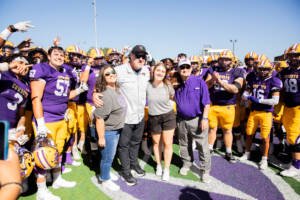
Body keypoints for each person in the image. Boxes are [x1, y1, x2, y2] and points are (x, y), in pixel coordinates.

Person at [30, 46, 87, 200]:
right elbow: (35, 98)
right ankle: (41, 191)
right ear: (48, 56)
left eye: (61, 55)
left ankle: (56, 179)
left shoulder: (64, 72)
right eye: (55, 54)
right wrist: (40, 123)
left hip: (61, 118)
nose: (59, 57)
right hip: (46, 119)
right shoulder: (42, 69)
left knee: (57, 151)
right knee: (43, 154)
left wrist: (80, 90)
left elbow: (65, 95)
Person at [93, 45, 150, 186]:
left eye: (143, 56)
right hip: (125, 117)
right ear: (131, 56)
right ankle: (126, 171)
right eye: (138, 55)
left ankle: (134, 163)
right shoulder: (119, 70)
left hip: (140, 115)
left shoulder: (146, 71)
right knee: (124, 146)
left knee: (136, 143)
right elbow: (102, 80)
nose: (141, 59)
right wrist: (95, 94)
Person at [240, 59, 282, 170]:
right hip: (254, 111)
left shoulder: (274, 81)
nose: (263, 71)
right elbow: (246, 92)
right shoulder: (253, 78)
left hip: (266, 112)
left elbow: (275, 100)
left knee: (265, 137)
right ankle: (247, 153)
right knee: (249, 133)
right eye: (261, 69)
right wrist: (246, 96)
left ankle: (264, 159)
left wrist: (259, 101)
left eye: (266, 69)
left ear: (270, 69)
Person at [174, 59, 211, 183]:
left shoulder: (199, 82)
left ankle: (205, 170)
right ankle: (187, 163)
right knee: (184, 144)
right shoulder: (177, 84)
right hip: (181, 120)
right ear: (178, 69)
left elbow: (206, 103)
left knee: (202, 146)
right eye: (182, 67)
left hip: (197, 119)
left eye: (187, 67)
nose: (185, 69)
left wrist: (205, 118)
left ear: (191, 68)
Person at [206, 50, 245, 163]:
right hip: (214, 105)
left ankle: (229, 152)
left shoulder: (237, 71)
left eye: (227, 59)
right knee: (212, 128)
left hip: (228, 106)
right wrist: (213, 79)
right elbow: (206, 85)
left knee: (227, 130)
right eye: (222, 59)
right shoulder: (213, 69)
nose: (224, 61)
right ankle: (209, 149)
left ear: (232, 61)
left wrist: (220, 81)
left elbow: (235, 89)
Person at [94, 64, 126, 191]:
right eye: (107, 74)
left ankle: (106, 174)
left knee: (110, 156)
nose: (111, 75)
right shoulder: (106, 95)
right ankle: (104, 179)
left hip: (116, 130)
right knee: (107, 158)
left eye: (113, 72)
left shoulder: (117, 90)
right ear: (103, 77)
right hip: (108, 132)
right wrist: (101, 138)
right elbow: (99, 118)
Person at [147, 62, 176, 181]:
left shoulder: (168, 85)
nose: (160, 73)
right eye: (158, 70)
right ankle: (158, 165)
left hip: (168, 116)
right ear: (153, 71)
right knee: (156, 143)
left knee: (168, 143)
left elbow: (171, 97)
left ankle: (167, 169)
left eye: (163, 71)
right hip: (154, 117)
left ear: (165, 74)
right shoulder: (146, 84)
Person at [279, 43, 300, 177]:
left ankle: (297, 166)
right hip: (287, 107)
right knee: (290, 136)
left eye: (296, 55)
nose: (293, 58)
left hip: (298, 107)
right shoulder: (284, 72)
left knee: (294, 136)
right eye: (291, 55)